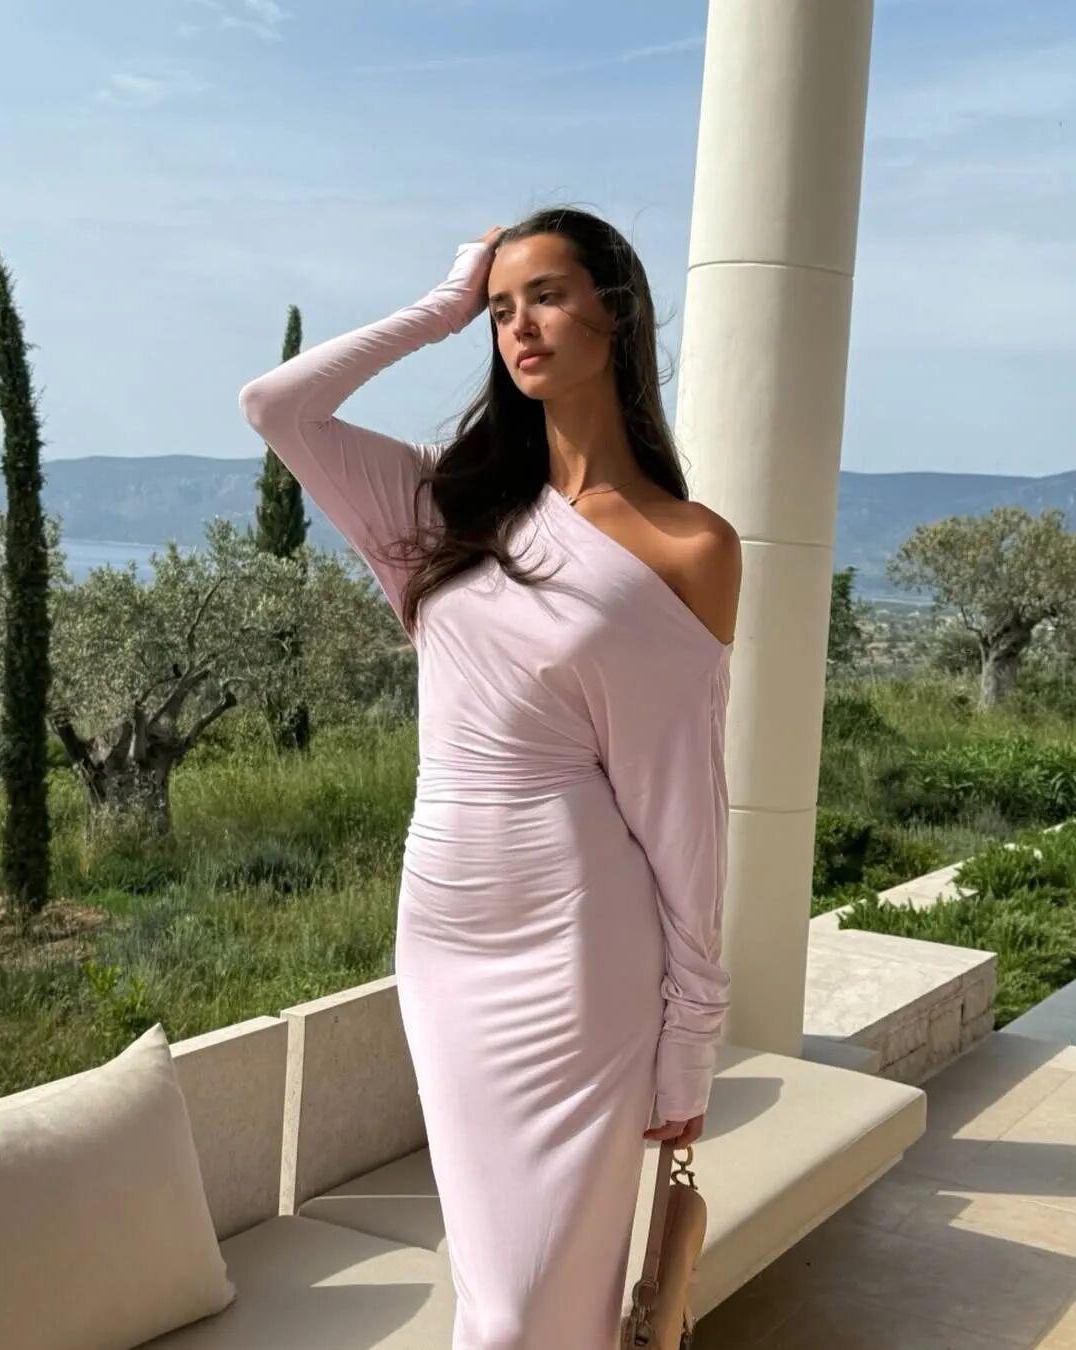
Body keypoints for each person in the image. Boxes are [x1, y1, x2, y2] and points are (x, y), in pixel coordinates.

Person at [238, 205, 740, 1350]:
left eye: (547, 296)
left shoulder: (687, 547)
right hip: (444, 937)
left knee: (522, 1313)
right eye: (501, 310)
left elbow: (684, 810)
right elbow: (277, 407)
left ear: (617, 315)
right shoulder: (444, 508)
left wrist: (692, 1035)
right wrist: (443, 302)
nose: (518, 326)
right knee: (496, 1286)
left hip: (578, 949)